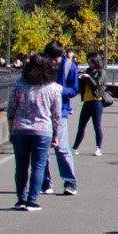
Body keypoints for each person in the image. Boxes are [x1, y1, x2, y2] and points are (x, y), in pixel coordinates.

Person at [5, 51, 63, 211]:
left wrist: (11, 130)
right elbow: (56, 115)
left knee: (21, 166)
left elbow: (11, 110)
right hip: (43, 131)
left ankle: (21, 199)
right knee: (39, 165)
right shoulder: (53, 88)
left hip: (20, 129)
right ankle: (32, 200)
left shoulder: (20, 85)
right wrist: (56, 135)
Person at [35, 41, 80, 196]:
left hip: (60, 112)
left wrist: (62, 90)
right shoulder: (42, 66)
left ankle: (70, 181)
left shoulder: (69, 67)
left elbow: (74, 90)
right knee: (43, 149)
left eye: (57, 59)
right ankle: (45, 182)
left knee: (62, 148)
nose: (54, 62)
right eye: (51, 59)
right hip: (42, 111)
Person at [73, 49, 110, 156]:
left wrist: (88, 78)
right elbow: (83, 86)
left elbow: (97, 85)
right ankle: (75, 147)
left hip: (96, 102)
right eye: (89, 61)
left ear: (96, 61)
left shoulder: (101, 72)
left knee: (97, 126)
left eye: (91, 62)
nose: (90, 64)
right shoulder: (88, 70)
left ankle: (98, 148)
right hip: (87, 101)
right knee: (81, 126)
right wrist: (81, 78)